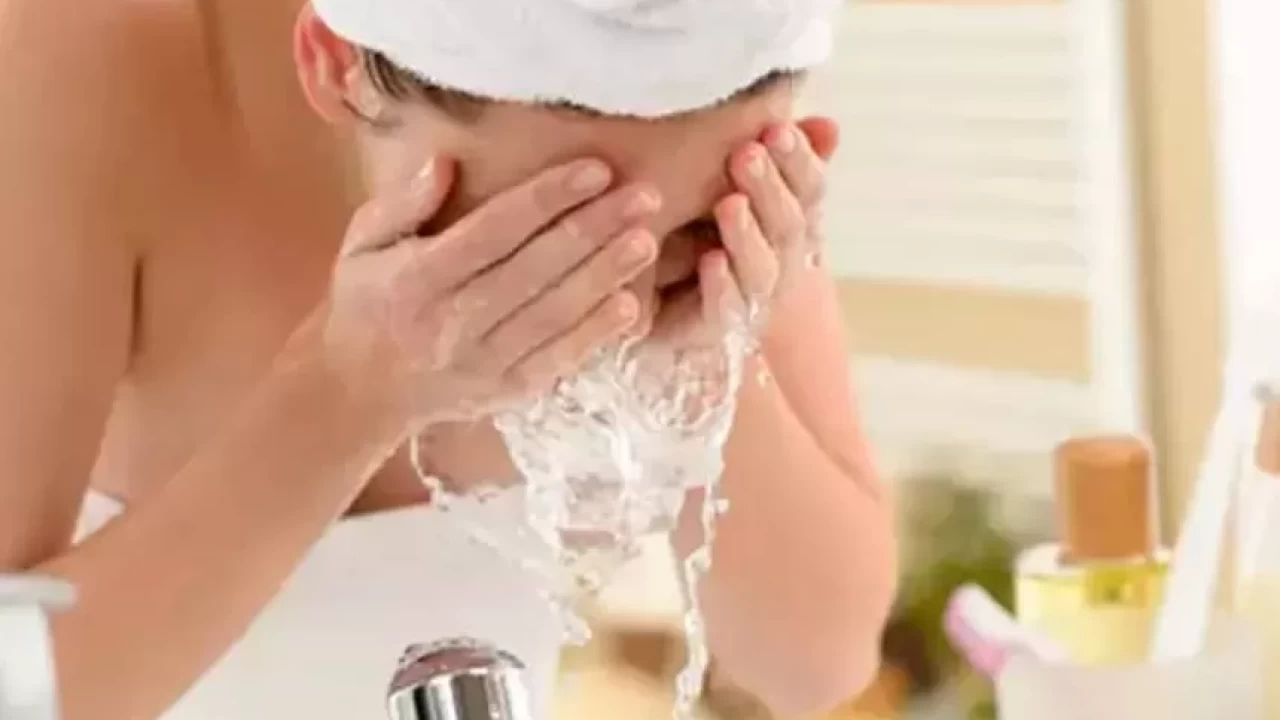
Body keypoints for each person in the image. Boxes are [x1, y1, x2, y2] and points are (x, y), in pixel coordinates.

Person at [0, 0, 897, 718]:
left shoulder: (711, 74)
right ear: (334, 66)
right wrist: (344, 394)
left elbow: (814, 663)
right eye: (531, 247)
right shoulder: (92, 53)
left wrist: (704, 355)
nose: (610, 299)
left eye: (678, 240)